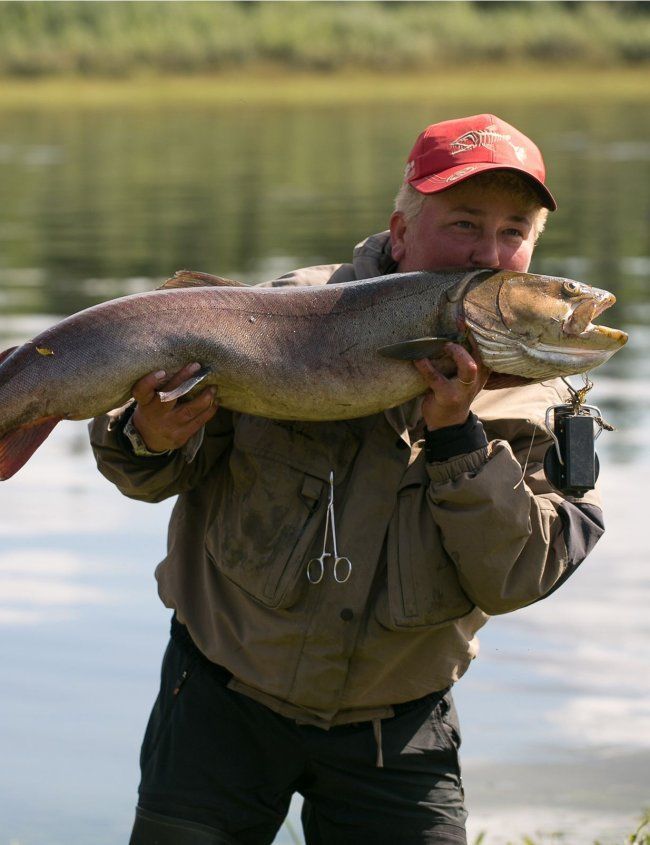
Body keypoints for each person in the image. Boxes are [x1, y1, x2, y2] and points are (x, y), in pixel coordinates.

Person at [90, 113, 604, 845]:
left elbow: (519, 576)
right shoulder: (285, 311)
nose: (488, 252)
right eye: (464, 223)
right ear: (401, 231)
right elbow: (142, 474)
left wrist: (459, 435)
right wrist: (149, 435)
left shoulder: (542, 395)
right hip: (219, 705)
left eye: (513, 232)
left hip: (397, 731)